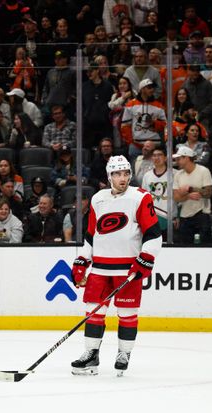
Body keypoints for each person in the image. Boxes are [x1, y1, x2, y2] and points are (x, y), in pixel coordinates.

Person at [70, 155, 161, 376]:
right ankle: (91, 355)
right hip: (100, 268)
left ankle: (123, 353)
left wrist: (145, 258)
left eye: (126, 173)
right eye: (118, 174)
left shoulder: (141, 197)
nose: (123, 178)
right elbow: (91, 234)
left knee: (128, 312)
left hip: (127, 270)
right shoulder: (98, 199)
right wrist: (82, 260)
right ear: (109, 176)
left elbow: (154, 234)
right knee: (93, 311)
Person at [172, 145, 212, 244]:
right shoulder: (178, 174)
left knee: (205, 245)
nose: (176, 161)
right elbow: (176, 197)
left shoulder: (203, 171)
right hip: (185, 215)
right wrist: (188, 196)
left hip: (202, 214)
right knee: (184, 246)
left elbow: (208, 193)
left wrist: (190, 189)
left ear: (186, 158)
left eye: (178, 159)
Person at [141, 146, 172, 233]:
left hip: (169, 218)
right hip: (152, 217)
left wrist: (176, 216)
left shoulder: (174, 174)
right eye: (154, 155)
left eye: (159, 155)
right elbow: (144, 199)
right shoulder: (147, 175)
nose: (156, 158)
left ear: (165, 157)